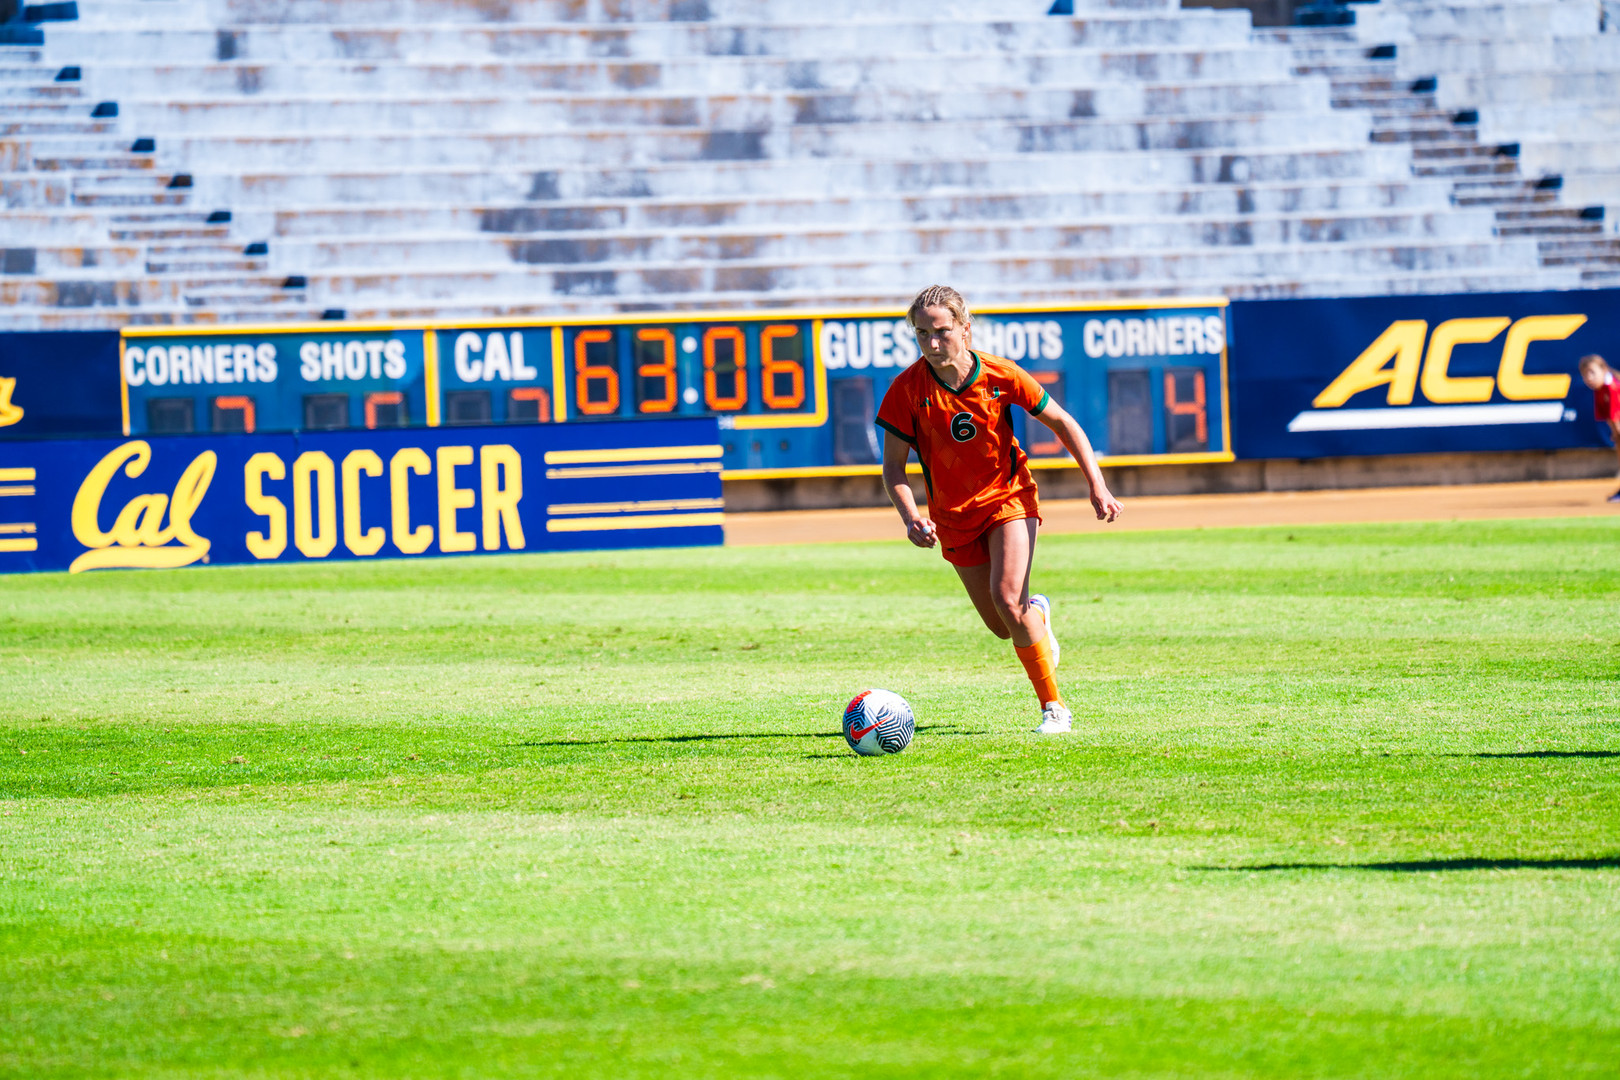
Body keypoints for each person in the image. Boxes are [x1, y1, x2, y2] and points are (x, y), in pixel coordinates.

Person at [877, 285, 1123, 734]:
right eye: (922, 334)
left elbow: (1063, 422)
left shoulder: (1000, 374)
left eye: (942, 331)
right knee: (1003, 626)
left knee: (1007, 599)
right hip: (953, 517)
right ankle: (1038, 616)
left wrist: (1097, 485)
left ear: (965, 329)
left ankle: (1054, 708)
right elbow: (893, 466)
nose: (933, 343)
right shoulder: (906, 391)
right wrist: (911, 515)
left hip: (1010, 497)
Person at [1578, 354, 1620, 503]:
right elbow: (1610, 417)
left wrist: (1617, 434)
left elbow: (1616, 419)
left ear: (1603, 369)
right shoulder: (1600, 389)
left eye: (1592, 372)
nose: (1589, 377)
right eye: (1585, 374)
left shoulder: (1611, 387)